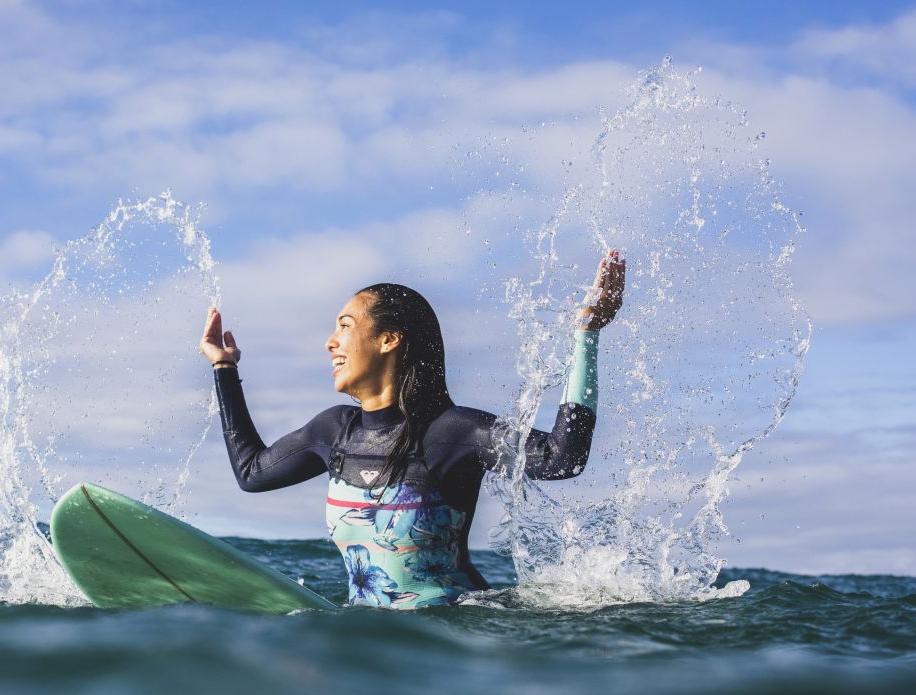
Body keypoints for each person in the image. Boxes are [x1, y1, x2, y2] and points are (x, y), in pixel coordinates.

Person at [200, 251, 626, 609]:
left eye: (345, 326)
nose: (330, 342)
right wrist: (223, 366)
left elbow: (561, 458)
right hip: (373, 644)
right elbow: (251, 473)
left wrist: (586, 335)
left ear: (389, 340)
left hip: (456, 637)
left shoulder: (454, 431)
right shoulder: (332, 432)